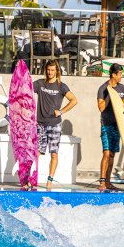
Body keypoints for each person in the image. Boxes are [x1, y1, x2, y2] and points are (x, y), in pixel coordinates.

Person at [34, 59, 77, 190]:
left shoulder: (61, 86)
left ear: (57, 71)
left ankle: (49, 182)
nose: (50, 72)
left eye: (52, 70)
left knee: (53, 154)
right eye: (48, 70)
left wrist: (61, 111)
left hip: (54, 124)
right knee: (36, 152)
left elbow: (74, 100)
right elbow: (25, 87)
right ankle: (32, 178)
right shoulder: (40, 84)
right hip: (40, 124)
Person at [96, 63, 124, 191]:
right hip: (106, 124)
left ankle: (108, 182)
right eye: (119, 73)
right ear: (113, 74)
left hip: (117, 125)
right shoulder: (103, 88)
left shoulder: (123, 88)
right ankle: (102, 181)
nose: (121, 76)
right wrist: (110, 95)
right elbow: (101, 108)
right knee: (106, 152)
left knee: (112, 155)